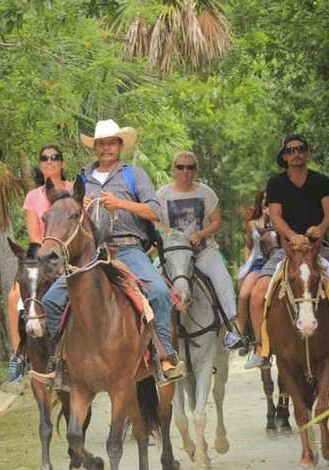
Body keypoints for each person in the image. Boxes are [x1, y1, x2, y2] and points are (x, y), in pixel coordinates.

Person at [42, 119, 186, 388]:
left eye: (111, 143)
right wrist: (79, 206)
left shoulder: (134, 175)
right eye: (101, 144)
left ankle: (165, 356)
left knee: (158, 291)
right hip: (91, 255)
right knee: (50, 300)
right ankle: (59, 363)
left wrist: (120, 203)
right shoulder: (81, 179)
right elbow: (68, 216)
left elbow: (156, 213)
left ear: (120, 146)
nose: (106, 148)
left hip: (128, 248)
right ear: (95, 147)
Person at [245, 134, 329, 369]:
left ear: (307, 152)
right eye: (290, 151)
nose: (296, 154)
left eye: (300, 149)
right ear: (284, 157)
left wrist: (319, 229)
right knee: (257, 294)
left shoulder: (320, 180)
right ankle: (261, 348)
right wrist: (292, 236)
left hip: (319, 248)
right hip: (285, 249)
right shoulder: (276, 183)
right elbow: (276, 216)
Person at [156, 151, 246, 351]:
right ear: (173, 169)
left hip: (203, 252)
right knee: (150, 283)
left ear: (196, 170)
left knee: (223, 282)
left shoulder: (206, 192)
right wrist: (167, 231)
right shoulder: (162, 194)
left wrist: (201, 234)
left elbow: (217, 221)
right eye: (180, 167)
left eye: (190, 167)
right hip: (173, 254)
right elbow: (153, 220)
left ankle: (231, 331)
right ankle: (152, 337)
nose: (185, 171)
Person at [5, 145, 73, 382]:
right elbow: (34, 234)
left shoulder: (74, 189)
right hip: (43, 256)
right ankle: (19, 356)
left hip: (72, 253)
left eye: (55, 157)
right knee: (14, 298)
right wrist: (48, 257)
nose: (50, 161)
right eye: (44, 158)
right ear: (40, 164)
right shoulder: (33, 196)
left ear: (62, 163)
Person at [236, 190, 270, 340]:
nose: (267, 201)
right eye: (264, 198)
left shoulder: (283, 219)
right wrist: (246, 264)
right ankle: (240, 333)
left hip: (279, 260)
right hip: (259, 263)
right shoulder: (252, 223)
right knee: (244, 294)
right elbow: (249, 245)